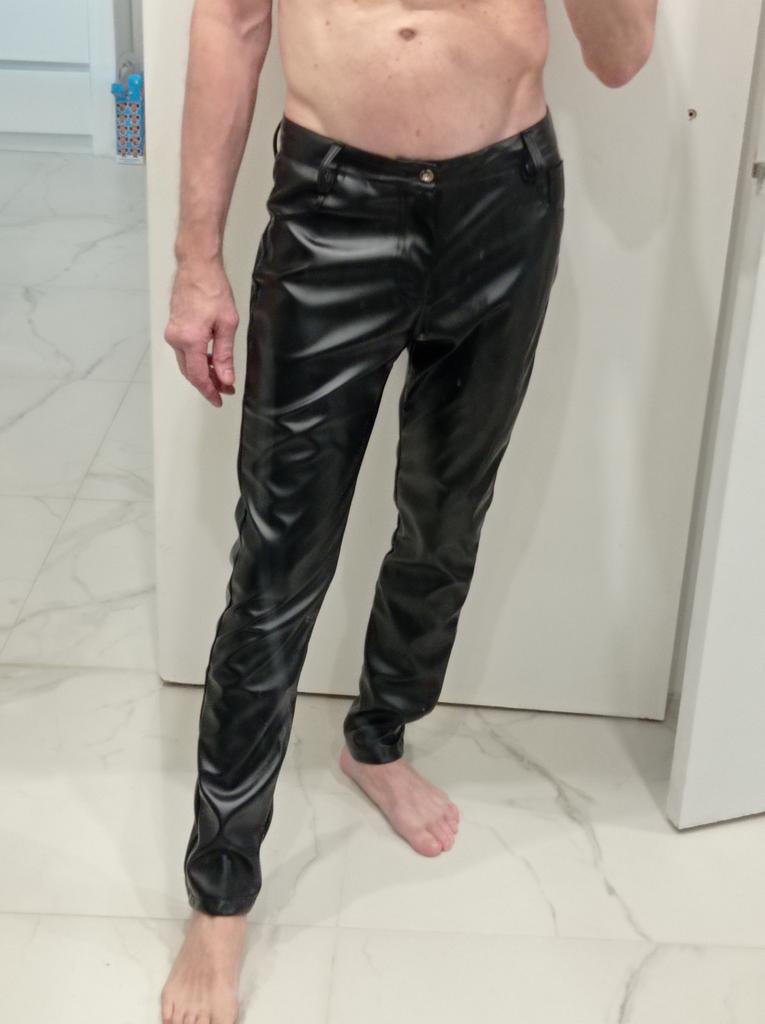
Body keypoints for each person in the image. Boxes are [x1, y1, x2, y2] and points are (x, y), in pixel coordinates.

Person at [160, 0, 656, 1019]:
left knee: (443, 519)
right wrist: (195, 260)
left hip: (505, 205)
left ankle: (377, 738)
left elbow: (621, 57)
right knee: (275, 568)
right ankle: (220, 894)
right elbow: (232, 21)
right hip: (329, 207)